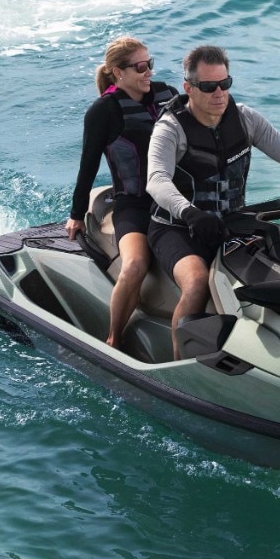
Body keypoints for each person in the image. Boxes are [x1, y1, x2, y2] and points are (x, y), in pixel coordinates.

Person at [146, 45, 280, 359]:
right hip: (177, 227)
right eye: (209, 86)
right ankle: (179, 368)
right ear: (188, 88)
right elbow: (157, 179)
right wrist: (189, 212)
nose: (219, 93)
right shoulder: (170, 128)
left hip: (230, 224)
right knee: (196, 283)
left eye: (225, 84)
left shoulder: (245, 118)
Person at [66, 37, 179, 349]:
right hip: (134, 204)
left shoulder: (168, 95)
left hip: (175, 199)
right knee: (135, 265)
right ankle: (114, 339)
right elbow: (88, 164)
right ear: (118, 72)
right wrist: (76, 214)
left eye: (149, 64)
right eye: (140, 67)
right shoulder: (103, 110)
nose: (148, 72)